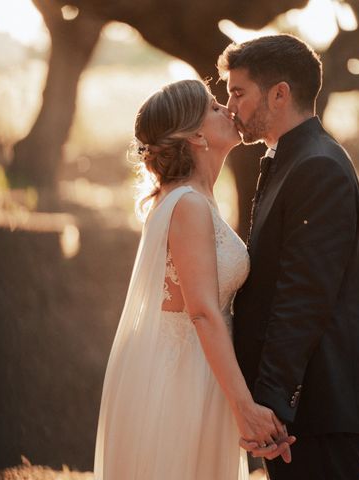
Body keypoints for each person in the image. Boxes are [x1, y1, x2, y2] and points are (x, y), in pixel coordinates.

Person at [93, 79, 295, 480]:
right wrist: (245, 409)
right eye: (214, 107)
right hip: (180, 376)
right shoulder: (188, 205)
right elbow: (201, 312)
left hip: (197, 368)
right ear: (197, 135)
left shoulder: (192, 198)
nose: (228, 109)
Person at [217, 34, 359, 479]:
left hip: (318, 408)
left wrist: (271, 403)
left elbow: (303, 298)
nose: (230, 105)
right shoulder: (290, 159)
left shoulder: (318, 167)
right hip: (302, 408)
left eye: (238, 92)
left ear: (279, 94)